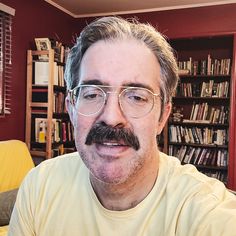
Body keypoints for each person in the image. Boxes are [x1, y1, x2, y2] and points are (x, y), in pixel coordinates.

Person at [9, 16, 236, 236]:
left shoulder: (206, 211)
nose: (111, 116)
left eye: (137, 97)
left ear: (162, 117)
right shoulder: (40, 186)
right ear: (71, 109)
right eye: (92, 94)